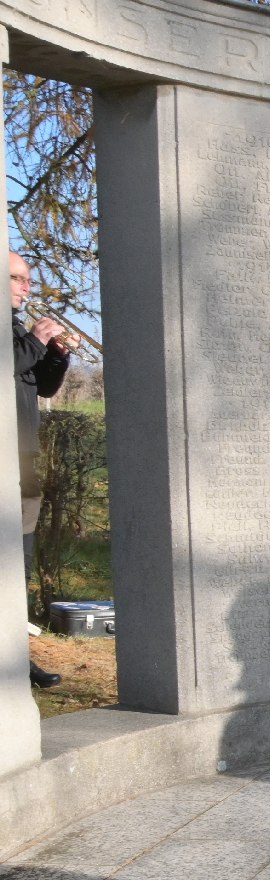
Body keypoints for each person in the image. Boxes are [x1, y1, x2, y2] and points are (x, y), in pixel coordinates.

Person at [11, 251, 70, 690]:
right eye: (15, 278)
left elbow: (41, 386)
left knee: (19, 570)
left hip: (23, 469)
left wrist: (56, 356)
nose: (25, 287)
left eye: (28, 280)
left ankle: (16, 661)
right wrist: (33, 341)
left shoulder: (15, 330)